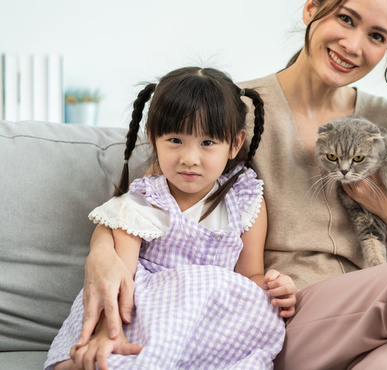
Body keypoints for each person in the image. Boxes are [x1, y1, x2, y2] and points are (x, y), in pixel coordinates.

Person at [74, 0, 387, 370]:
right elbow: (150, 197)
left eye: (376, 36)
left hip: (379, 320)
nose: (354, 46)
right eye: (346, 19)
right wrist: (100, 253)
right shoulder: (241, 112)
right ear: (311, 8)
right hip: (286, 320)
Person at [45, 67, 297, 369]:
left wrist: (275, 287)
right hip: (145, 311)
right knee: (107, 359)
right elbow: (121, 280)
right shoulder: (143, 200)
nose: (189, 158)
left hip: (209, 322)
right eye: (175, 140)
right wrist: (106, 334)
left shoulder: (245, 198)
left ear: (234, 143)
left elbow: (249, 278)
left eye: (207, 143)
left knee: (260, 317)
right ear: (152, 137)